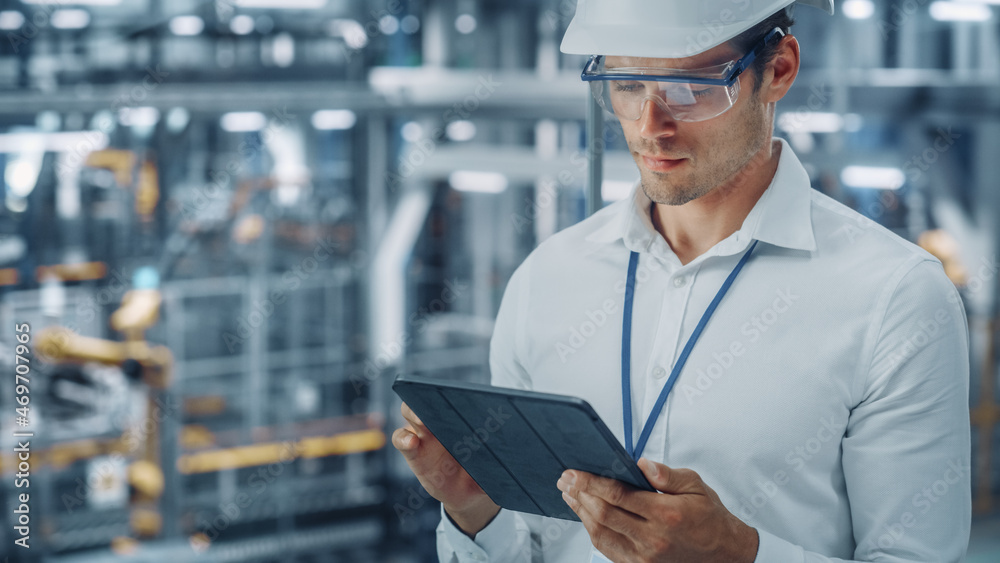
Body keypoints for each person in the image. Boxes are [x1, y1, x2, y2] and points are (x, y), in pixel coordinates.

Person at [393, 0, 972, 560]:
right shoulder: (547, 279)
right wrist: (476, 512)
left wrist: (740, 557)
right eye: (627, 86)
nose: (651, 127)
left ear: (779, 70)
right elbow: (537, 551)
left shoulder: (895, 298)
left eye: (689, 88)